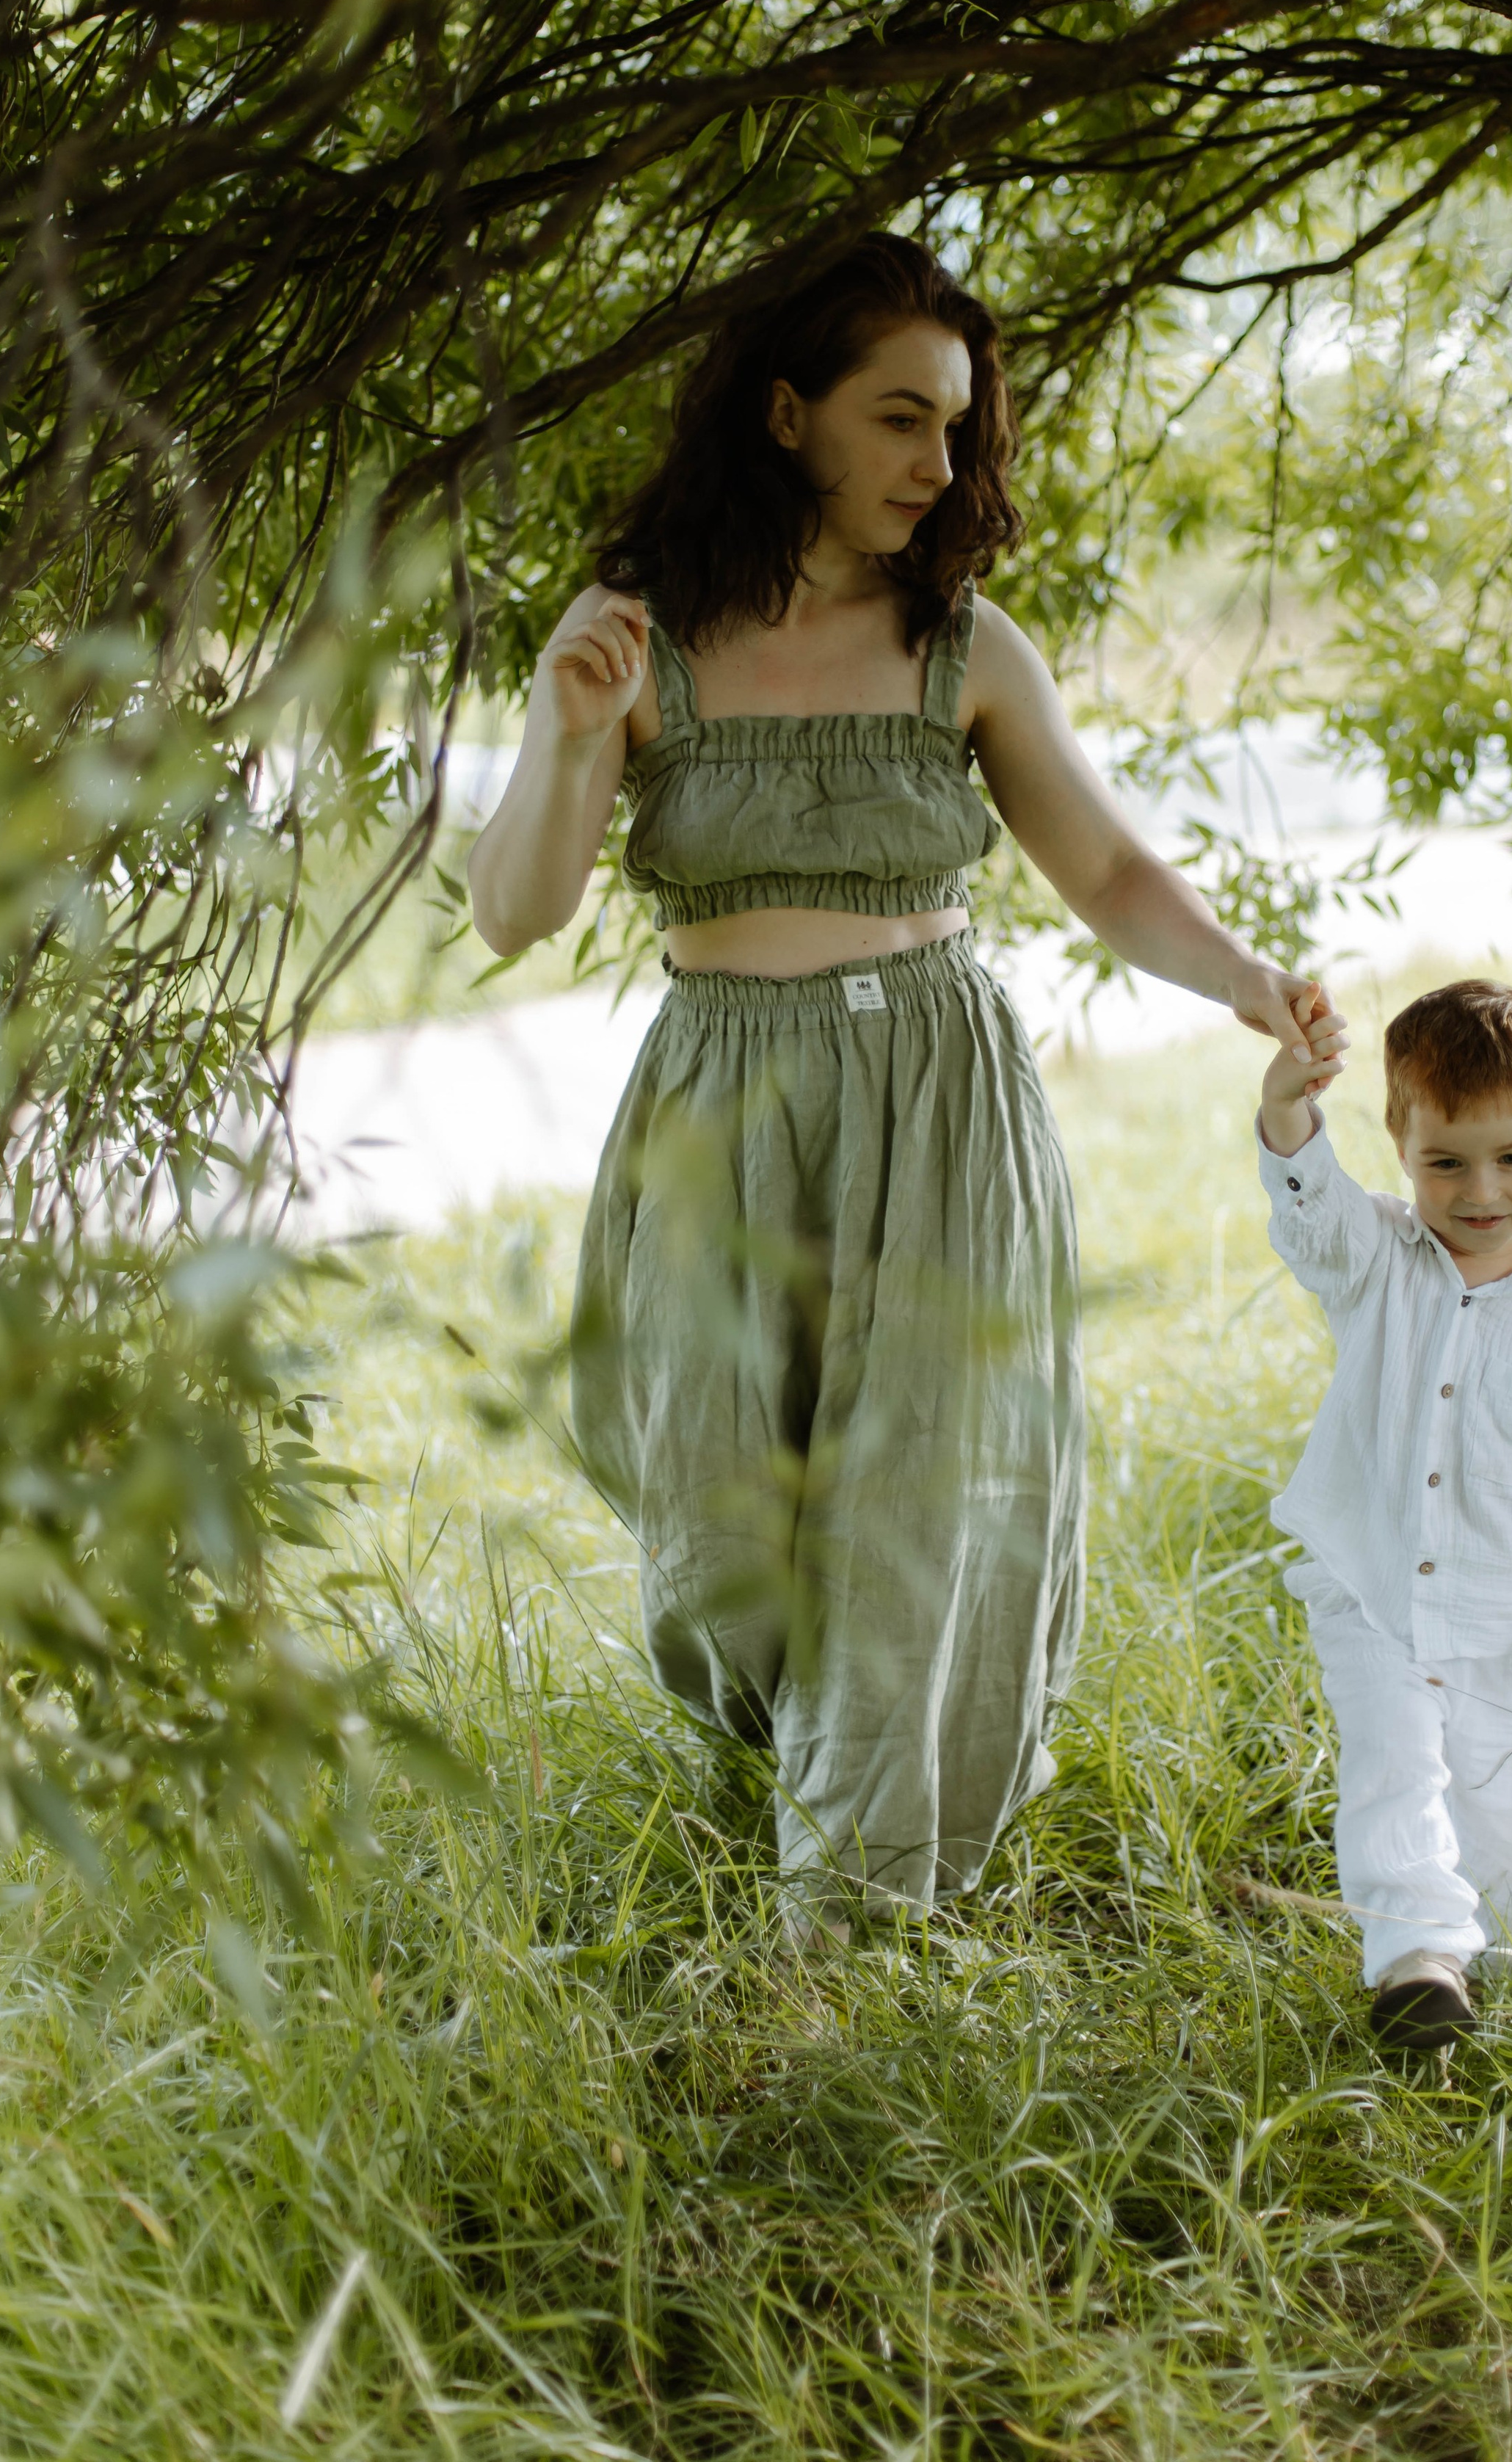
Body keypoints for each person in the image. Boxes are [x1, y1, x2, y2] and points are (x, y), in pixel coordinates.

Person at [468, 231, 1337, 1936]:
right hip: (722, 1111)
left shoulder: (962, 647)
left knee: (915, 1506)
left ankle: (851, 1918)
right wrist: (576, 739)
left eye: (954, 426)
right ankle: (799, 1791)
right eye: (897, 419)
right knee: (718, 1525)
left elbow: (1101, 869)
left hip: (939, 1105)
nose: (938, 467)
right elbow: (514, 910)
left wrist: (1245, 981)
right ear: (786, 415)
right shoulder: (633, 641)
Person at [1254, 976, 1512, 2050]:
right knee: (1393, 1769)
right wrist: (1291, 1103)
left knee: (1509, 1821)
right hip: (1374, 1587)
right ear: (1401, 1143)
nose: (1482, 1191)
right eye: (1446, 1162)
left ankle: (1497, 1946)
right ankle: (1417, 1962)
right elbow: (1311, 1214)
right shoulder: (1378, 1260)